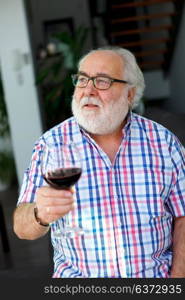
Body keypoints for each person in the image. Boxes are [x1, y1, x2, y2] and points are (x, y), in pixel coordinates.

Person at [13, 46, 185, 278]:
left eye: (102, 81)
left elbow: (183, 217)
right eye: (83, 80)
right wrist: (39, 214)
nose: (88, 90)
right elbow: (21, 228)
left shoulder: (164, 143)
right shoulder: (50, 144)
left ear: (130, 94)